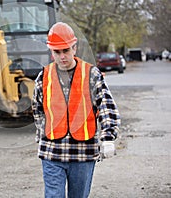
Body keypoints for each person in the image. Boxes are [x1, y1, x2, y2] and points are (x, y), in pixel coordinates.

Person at [32, 22, 121, 198]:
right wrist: (43, 133)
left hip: (83, 152)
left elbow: (106, 105)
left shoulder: (91, 75)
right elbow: (37, 108)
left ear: (75, 48)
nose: (62, 56)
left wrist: (108, 137)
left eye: (66, 50)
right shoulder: (44, 76)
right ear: (51, 51)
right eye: (57, 52)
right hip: (52, 151)